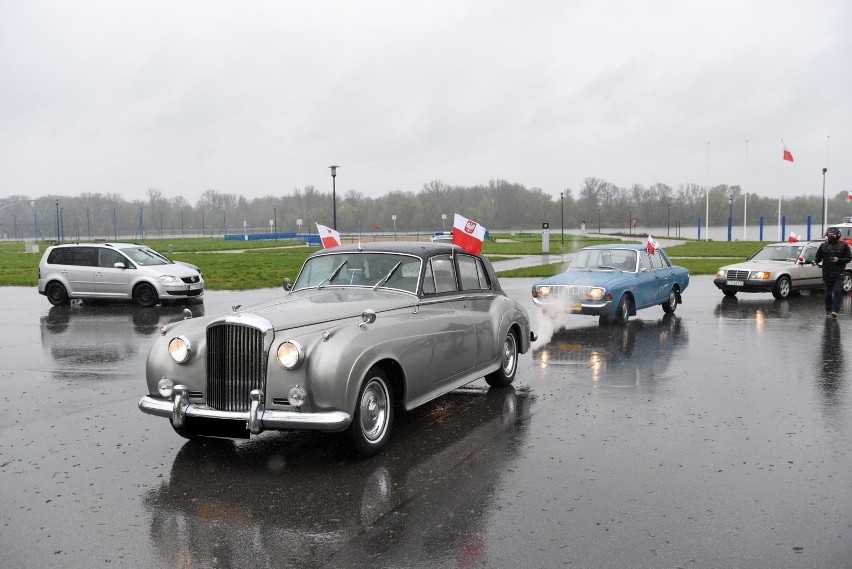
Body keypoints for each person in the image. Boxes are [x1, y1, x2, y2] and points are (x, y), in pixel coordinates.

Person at [813, 227, 852, 318]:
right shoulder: (823, 245)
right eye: (829, 235)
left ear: (838, 235)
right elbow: (818, 257)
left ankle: (835, 311)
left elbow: (849, 258)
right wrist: (815, 261)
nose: (831, 237)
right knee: (827, 293)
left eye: (833, 235)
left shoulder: (843, 245)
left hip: (839, 272)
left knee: (837, 291)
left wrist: (838, 260)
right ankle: (828, 310)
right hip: (826, 272)